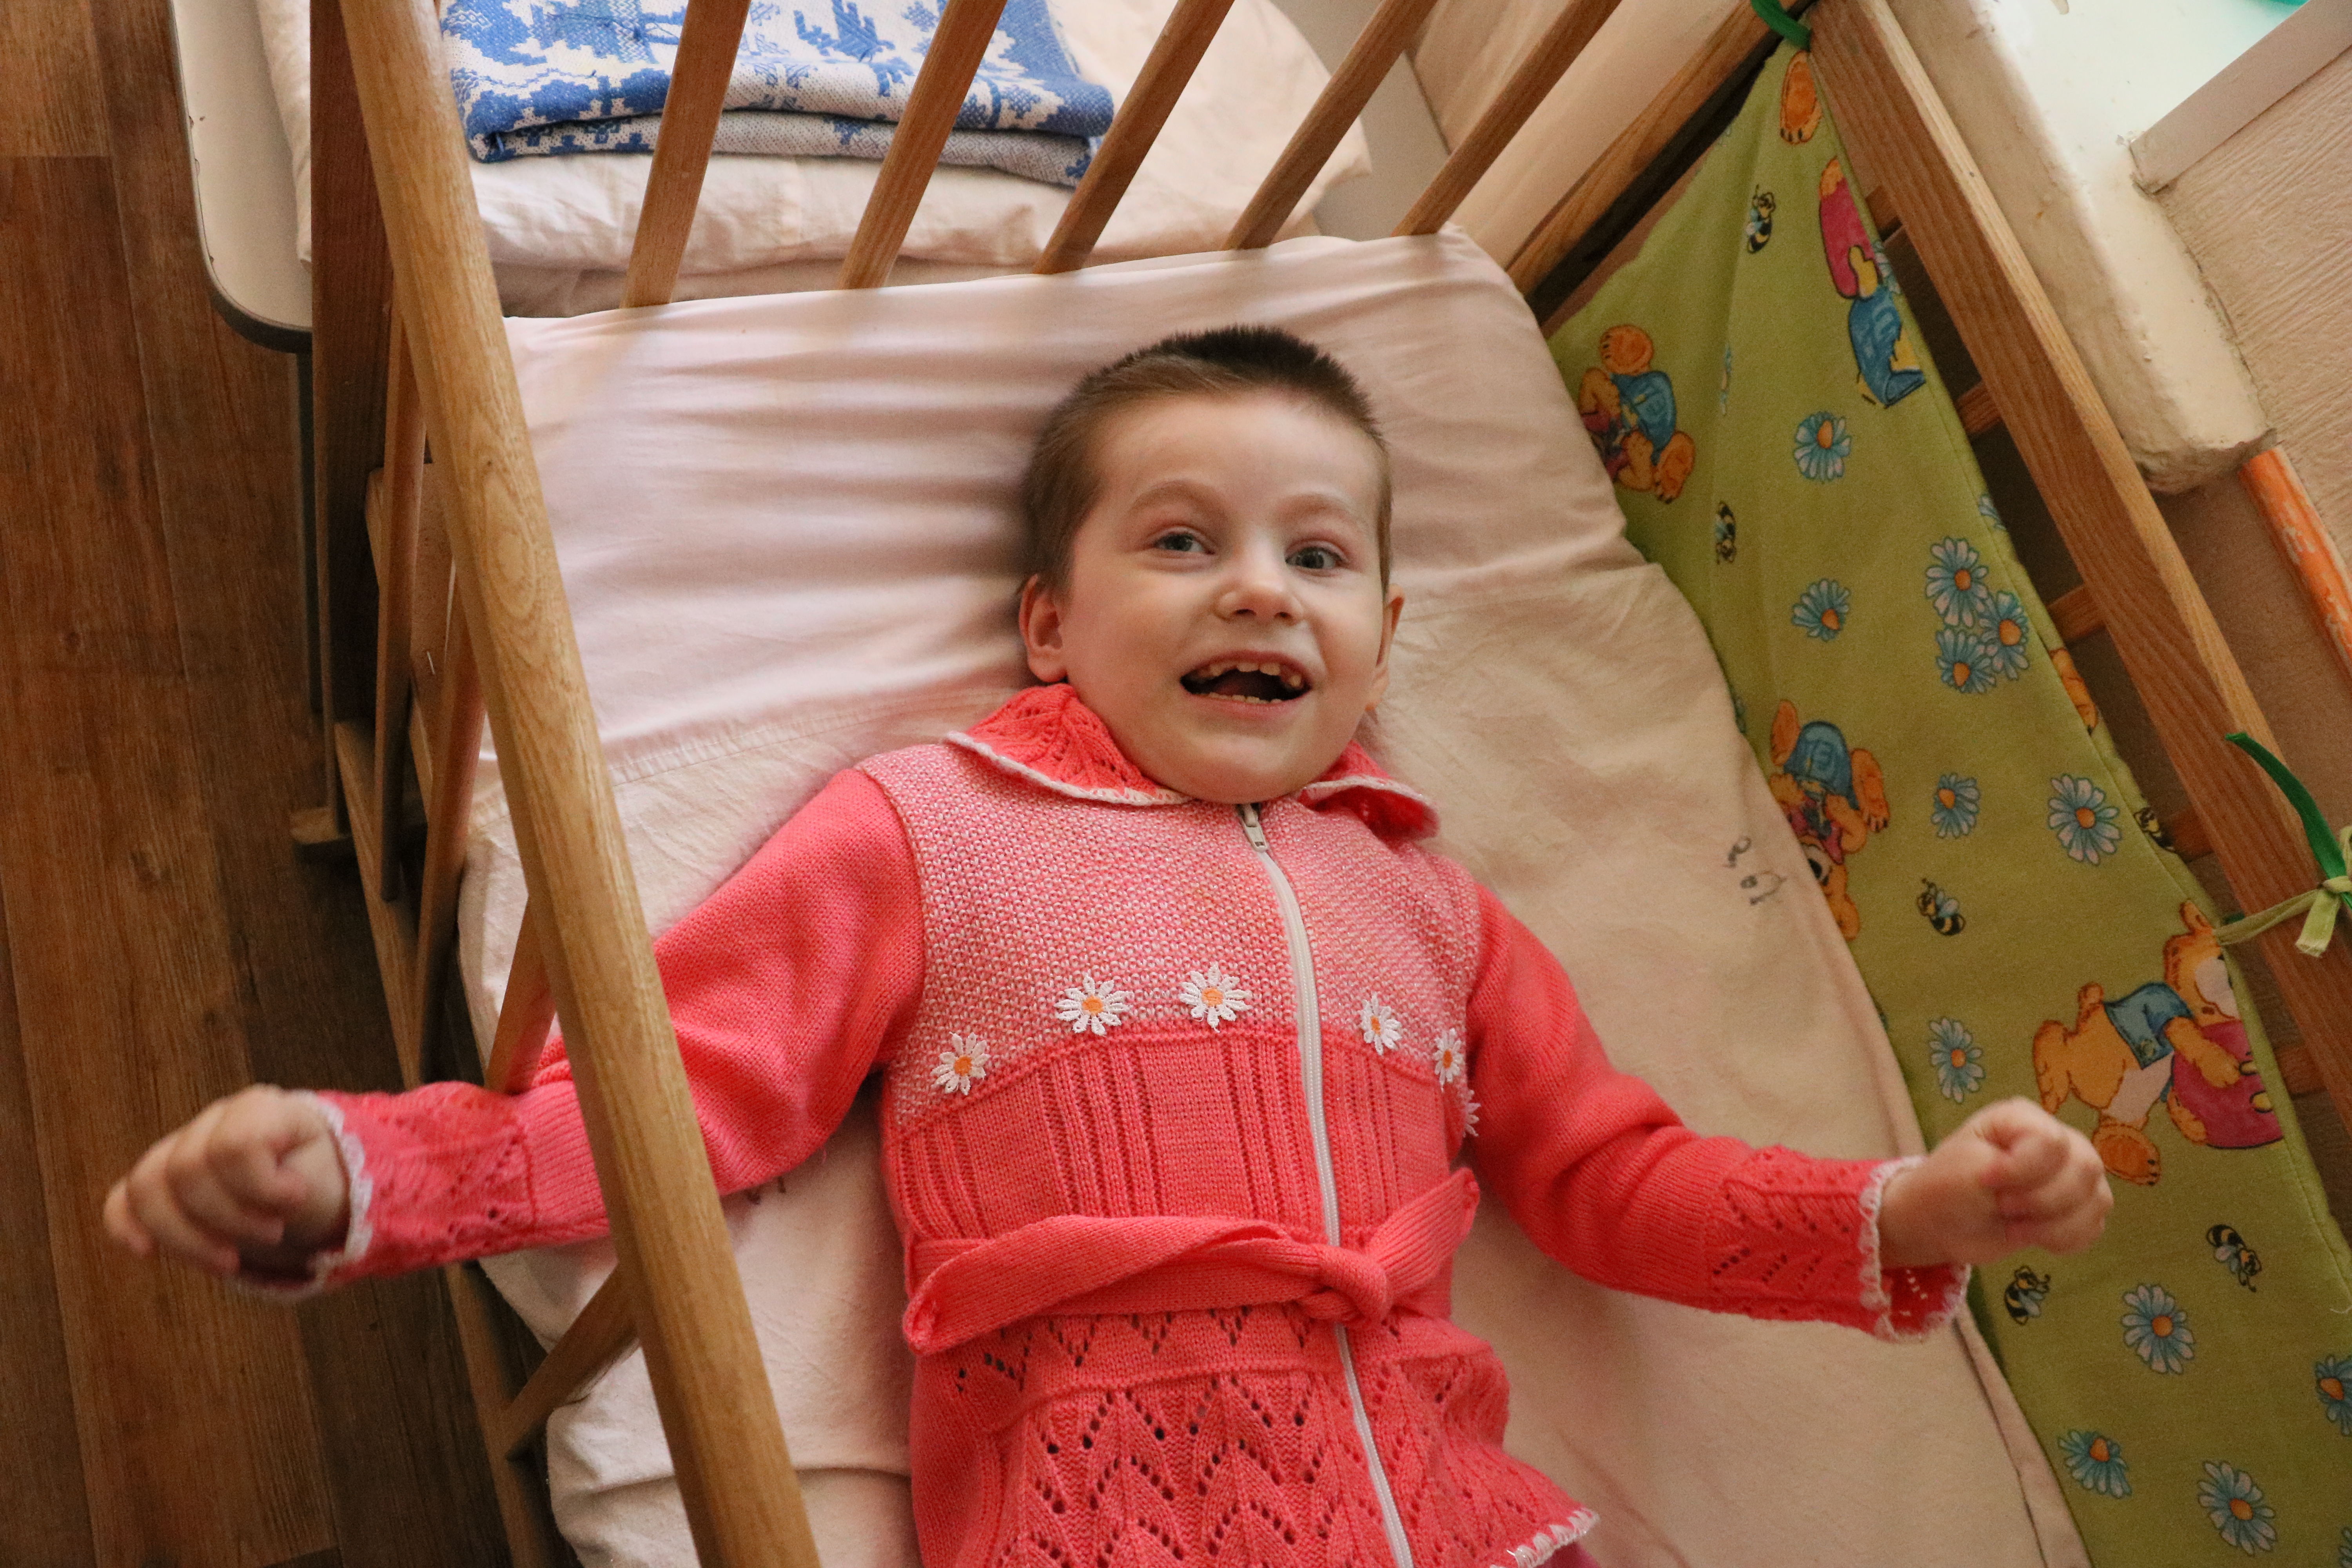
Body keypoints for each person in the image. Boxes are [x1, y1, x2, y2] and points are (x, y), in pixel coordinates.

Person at [107, 327, 2112, 1568]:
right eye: (1181, 540)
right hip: (1104, 1496)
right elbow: (674, 1090)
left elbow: (1612, 1175)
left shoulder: (1434, 899)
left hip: (1453, 1507)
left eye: (1320, 555)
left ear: (1383, 644)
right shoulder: (933, 823)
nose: (1261, 588)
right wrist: (368, 1172)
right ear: (1050, 626)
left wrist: (1897, 1208)